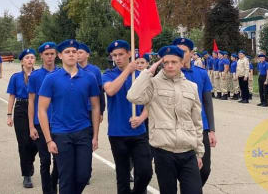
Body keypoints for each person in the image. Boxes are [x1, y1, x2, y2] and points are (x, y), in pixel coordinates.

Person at [127, 45, 204, 194]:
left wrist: (199, 153)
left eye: (174, 62)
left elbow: (197, 122)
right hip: (164, 152)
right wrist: (148, 71)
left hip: (188, 152)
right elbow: (133, 96)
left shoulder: (191, 87)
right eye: (166, 62)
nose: (170, 66)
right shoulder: (153, 84)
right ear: (161, 63)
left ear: (181, 63)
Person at [38, 39, 100, 194]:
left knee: (84, 175)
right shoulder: (51, 78)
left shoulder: (89, 78)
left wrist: (95, 136)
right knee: (66, 178)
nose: (71, 54)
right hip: (61, 134)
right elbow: (42, 110)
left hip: (83, 132)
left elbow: (95, 106)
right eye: (67, 52)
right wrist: (48, 140)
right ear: (60, 55)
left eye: (74, 51)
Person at [102, 40, 153, 194]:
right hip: (118, 132)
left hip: (138, 131)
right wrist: (127, 72)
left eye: (121, 54)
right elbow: (110, 91)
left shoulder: (141, 75)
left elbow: (150, 103)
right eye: (114, 55)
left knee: (145, 172)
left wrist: (142, 118)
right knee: (123, 176)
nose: (117, 58)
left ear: (129, 54)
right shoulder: (108, 75)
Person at [173, 37, 216, 186]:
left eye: (184, 52)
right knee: (184, 168)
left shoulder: (201, 74)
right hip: (178, 127)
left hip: (200, 127)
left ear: (191, 53)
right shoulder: (169, 74)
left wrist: (212, 130)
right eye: (177, 51)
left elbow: (208, 103)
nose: (180, 55)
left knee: (205, 169)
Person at [28, 42, 59, 194]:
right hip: (40, 123)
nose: (49, 57)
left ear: (56, 55)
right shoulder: (35, 76)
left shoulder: (62, 73)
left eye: (52, 53)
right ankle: (48, 191)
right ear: (41, 56)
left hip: (59, 123)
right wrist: (31, 126)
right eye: (46, 54)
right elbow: (31, 102)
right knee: (45, 160)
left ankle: (53, 186)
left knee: (59, 161)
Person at [7, 48, 38, 188]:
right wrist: (9, 115)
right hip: (21, 109)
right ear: (22, 61)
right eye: (27, 57)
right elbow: (12, 96)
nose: (30, 60)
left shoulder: (39, 75)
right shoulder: (15, 77)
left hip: (37, 109)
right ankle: (27, 175)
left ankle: (29, 160)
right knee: (23, 143)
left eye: (32, 57)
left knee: (36, 141)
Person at [77, 42, 106, 184]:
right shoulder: (71, 69)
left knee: (89, 142)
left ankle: (86, 171)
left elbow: (100, 92)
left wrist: (101, 111)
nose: (78, 55)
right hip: (76, 110)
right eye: (76, 52)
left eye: (81, 52)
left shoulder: (94, 71)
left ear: (87, 54)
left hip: (91, 111)